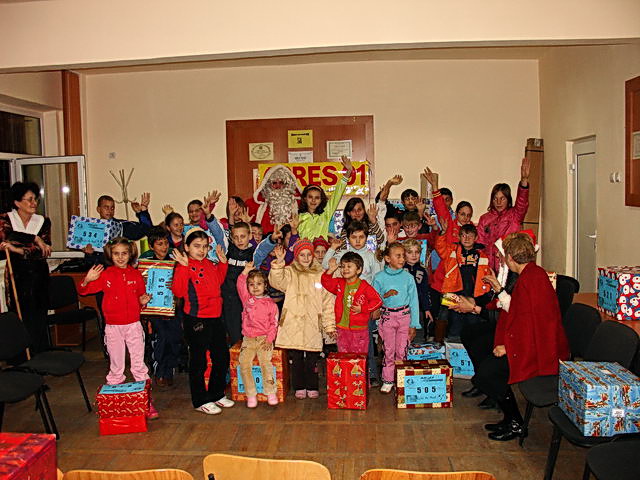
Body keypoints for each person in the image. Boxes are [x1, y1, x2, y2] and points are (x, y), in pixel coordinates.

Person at [473, 233, 569, 441]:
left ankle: (516, 422)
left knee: (487, 374)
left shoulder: (530, 281)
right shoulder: (533, 275)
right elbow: (520, 313)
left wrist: (508, 347)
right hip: (532, 343)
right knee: (488, 365)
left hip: (538, 351)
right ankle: (510, 419)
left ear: (509, 258)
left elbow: (529, 324)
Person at [78, 237, 158, 419]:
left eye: (124, 253)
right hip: (113, 328)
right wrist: (87, 280)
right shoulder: (105, 275)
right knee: (116, 367)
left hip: (134, 326)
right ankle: (114, 403)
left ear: (130, 254)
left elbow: (139, 298)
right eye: (116, 254)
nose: (120, 257)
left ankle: (146, 403)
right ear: (110, 255)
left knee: (139, 366)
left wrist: (142, 303)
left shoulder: (136, 275)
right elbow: (84, 291)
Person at [171, 228, 234, 415]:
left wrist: (223, 264)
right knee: (199, 362)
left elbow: (217, 282)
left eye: (205, 246)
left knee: (221, 357)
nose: (202, 250)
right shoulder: (184, 265)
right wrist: (183, 267)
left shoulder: (209, 263)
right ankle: (200, 400)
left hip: (215, 318)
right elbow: (179, 292)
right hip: (196, 320)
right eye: (197, 246)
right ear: (186, 247)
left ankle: (216, 394)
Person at [269, 240, 336, 400]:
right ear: (297, 256)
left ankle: (312, 385)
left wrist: (329, 326)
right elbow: (276, 281)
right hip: (293, 322)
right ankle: (299, 386)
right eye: (302, 255)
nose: (306, 258)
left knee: (313, 358)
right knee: (296, 357)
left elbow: (328, 302)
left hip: (312, 323)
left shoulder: (321, 275)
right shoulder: (290, 272)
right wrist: (279, 262)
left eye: (308, 254)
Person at [0, 181, 52, 353]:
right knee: (19, 314)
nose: (34, 203)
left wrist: (16, 248)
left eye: (35, 199)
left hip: (38, 273)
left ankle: (39, 353)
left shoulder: (43, 221)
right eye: (29, 199)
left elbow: (43, 252)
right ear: (17, 202)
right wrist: (35, 239)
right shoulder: (5, 219)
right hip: (17, 274)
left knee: (38, 314)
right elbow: (6, 237)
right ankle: (21, 355)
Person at [372, 242, 420, 393]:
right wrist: (385, 296)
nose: (402, 259)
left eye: (403, 256)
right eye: (398, 256)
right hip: (387, 317)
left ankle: (401, 378)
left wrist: (414, 324)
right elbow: (373, 300)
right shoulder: (379, 277)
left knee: (402, 350)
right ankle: (388, 380)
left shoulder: (408, 277)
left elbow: (414, 301)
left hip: (404, 317)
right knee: (389, 350)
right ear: (387, 258)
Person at [434, 222, 493, 342]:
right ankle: (451, 346)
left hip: (473, 295)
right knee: (454, 322)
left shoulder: (482, 255)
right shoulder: (452, 250)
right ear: (459, 237)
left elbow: (486, 276)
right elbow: (440, 247)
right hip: (453, 292)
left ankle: (471, 348)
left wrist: (484, 296)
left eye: (470, 236)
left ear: (476, 238)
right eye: (464, 236)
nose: (467, 239)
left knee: (473, 323)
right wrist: (443, 233)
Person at [139, 226, 182, 387]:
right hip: (154, 310)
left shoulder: (175, 261)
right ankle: (159, 369)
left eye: (165, 243)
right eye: (159, 244)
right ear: (151, 247)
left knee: (175, 337)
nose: (163, 247)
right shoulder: (146, 265)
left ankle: (169, 368)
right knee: (161, 337)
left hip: (173, 308)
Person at [236, 262, 279, 408]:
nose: (255, 287)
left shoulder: (270, 304)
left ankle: (270, 392)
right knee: (244, 363)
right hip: (248, 339)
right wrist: (245, 272)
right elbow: (240, 285)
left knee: (265, 363)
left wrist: (269, 340)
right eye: (251, 284)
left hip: (264, 339)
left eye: (259, 284)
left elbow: (274, 324)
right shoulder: (247, 300)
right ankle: (251, 394)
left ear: (265, 286)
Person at [322, 252, 382, 354]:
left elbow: (378, 301)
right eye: (343, 266)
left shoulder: (364, 286)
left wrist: (363, 309)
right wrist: (330, 270)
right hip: (342, 329)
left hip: (360, 330)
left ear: (359, 270)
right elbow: (326, 282)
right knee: (344, 356)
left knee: (359, 359)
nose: (345, 269)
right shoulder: (339, 283)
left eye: (349, 266)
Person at [477, 157, 530, 271]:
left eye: (502, 198)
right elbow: (479, 245)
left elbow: (522, 202)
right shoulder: (484, 219)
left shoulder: (515, 215)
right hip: (488, 267)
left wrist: (524, 181)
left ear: (508, 199)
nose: (499, 202)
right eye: (495, 199)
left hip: (510, 266)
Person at [83, 194, 153, 266]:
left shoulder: (121, 226)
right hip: (100, 272)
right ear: (98, 209)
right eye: (106, 207)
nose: (109, 211)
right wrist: (89, 254)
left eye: (112, 208)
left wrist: (142, 211)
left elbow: (147, 229)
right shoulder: (91, 229)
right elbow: (88, 263)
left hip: (120, 271)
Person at [297, 155, 353, 240]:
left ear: (321, 200)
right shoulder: (299, 217)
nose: (313, 200)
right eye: (310, 197)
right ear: (305, 198)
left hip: (322, 252)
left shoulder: (325, 213)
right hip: (304, 252)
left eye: (317, 198)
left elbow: (337, 195)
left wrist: (348, 172)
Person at [246, 165, 301, 234]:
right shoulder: (256, 206)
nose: (278, 186)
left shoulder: (299, 204)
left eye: (281, 182)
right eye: (274, 183)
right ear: (268, 185)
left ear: (287, 185)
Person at [402, 239, 433, 341]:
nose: (414, 255)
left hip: (418, 308)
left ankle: (419, 352)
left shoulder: (422, 270)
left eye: (417, 252)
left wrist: (427, 309)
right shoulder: (399, 270)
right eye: (410, 252)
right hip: (402, 308)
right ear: (403, 254)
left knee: (419, 332)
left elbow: (425, 291)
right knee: (403, 333)